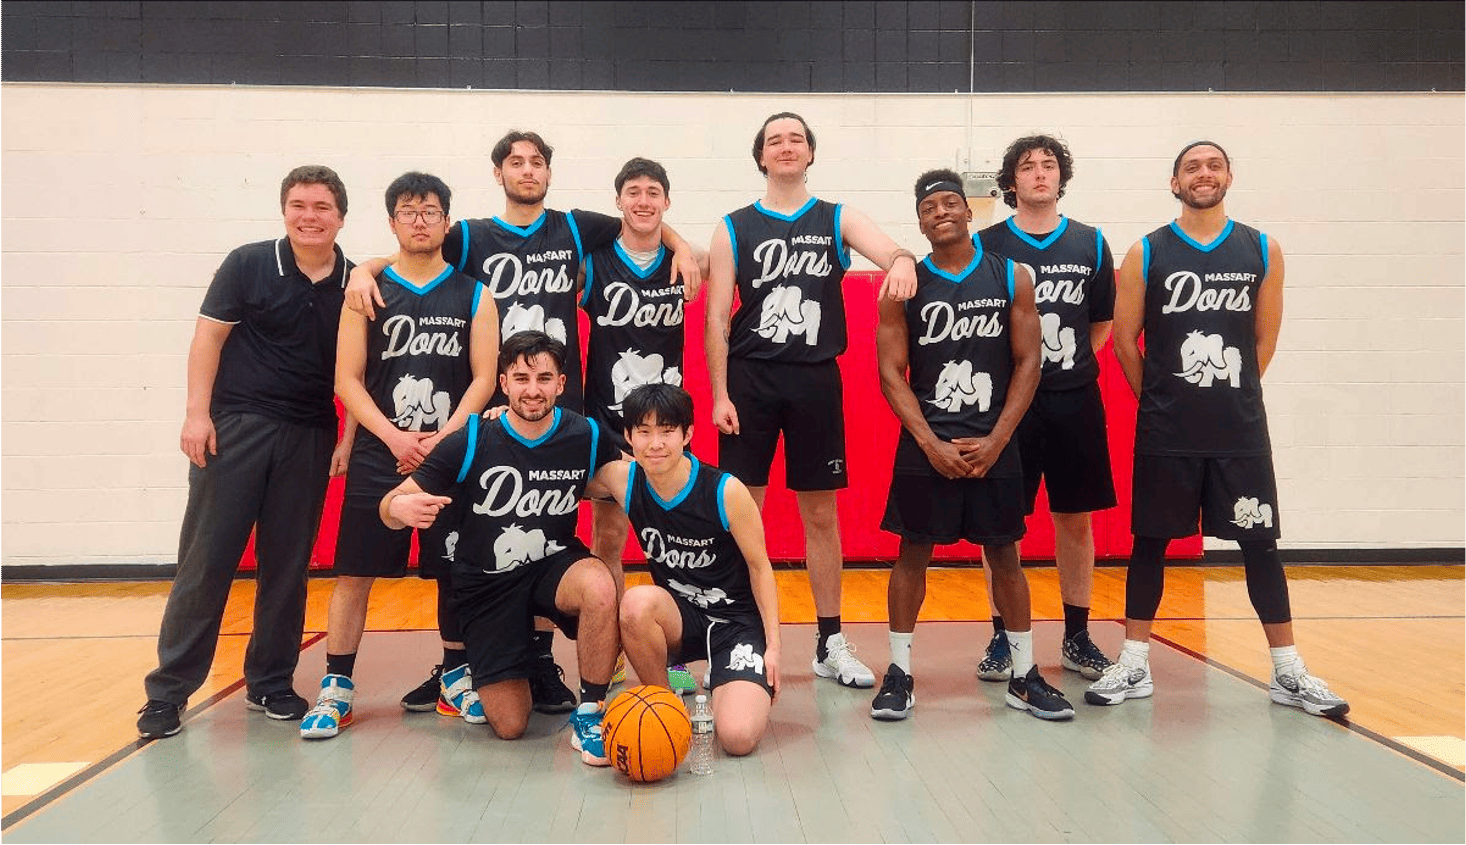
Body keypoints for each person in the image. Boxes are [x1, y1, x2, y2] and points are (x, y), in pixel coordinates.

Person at [347, 131, 698, 712]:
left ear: (549, 174)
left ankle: (546, 658)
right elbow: (417, 249)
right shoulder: (470, 235)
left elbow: (644, 218)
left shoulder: (575, 227)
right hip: (495, 406)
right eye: (516, 161)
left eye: (537, 162)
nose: (527, 170)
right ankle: (459, 662)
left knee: (553, 530)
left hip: (562, 408)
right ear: (498, 172)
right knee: (472, 534)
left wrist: (681, 246)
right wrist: (365, 267)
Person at [1086, 141, 1349, 718]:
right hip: (1167, 429)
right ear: (1174, 183)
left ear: (1229, 176)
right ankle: (1133, 660)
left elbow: (1264, 338)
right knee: (1149, 543)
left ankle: (1287, 670)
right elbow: (1125, 340)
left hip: (1238, 430)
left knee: (1260, 545)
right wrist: (1156, 397)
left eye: (1213, 165)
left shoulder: (1262, 248)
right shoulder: (1146, 251)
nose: (1203, 174)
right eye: (1191, 167)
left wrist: (1232, 396)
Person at [136, 166, 354, 740]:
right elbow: (208, 337)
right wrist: (195, 414)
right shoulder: (248, 263)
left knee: (287, 567)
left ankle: (271, 681)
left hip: (309, 434)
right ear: (285, 211)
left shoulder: (355, 280)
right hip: (236, 428)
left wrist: (348, 437)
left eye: (322, 207)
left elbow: (359, 370)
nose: (310, 216)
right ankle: (168, 692)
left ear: (340, 216)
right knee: (208, 562)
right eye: (299, 205)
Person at [705, 111, 917, 690]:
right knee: (740, 512)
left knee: (820, 514)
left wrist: (900, 262)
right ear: (761, 157)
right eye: (775, 139)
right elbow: (716, 316)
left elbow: (895, 251)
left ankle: (830, 639)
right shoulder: (733, 226)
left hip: (815, 379)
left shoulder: (836, 217)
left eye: (796, 138)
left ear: (811, 153)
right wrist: (720, 392)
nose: (787, 146)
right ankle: (741, 636)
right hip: (750, 379)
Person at [299, 172, 498, 739]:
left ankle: (456, 678)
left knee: (453, 571)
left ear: (446, 223)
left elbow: (485, 378)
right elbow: (346, 378)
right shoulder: (365, 292)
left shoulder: (476, 294)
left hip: (450, 453)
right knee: (355, 572)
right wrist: (392, 437)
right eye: (407, 211)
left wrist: (446, 440)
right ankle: (337, 686)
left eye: (430, 211)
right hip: (378, 452)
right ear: (392, 222)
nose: (418, 220)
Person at [870, 170, 1073, 722]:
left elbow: (1030, 361)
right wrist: (929, 441)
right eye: (929, 206)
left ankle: (1025, 675)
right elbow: (891, 371)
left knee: (1005, 555)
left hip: (993, 439)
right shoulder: (903, 286)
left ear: (968, 211)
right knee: (912, 553)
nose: (941, 212)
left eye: (951, 203)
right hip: (926, 439)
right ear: (920, 220)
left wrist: (999, 439)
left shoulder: (1012, 275)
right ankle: (898, 672)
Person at [380, 331, 624, 766]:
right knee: (511, 726)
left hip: (553, 565)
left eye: (544, 378)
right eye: (522, 378)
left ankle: (591, 710)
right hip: (488, 584)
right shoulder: (471, 438)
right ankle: (507, 663)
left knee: (600, 586)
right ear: (504, 382)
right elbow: (388, 505)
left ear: (561, 384)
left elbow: (627, 479)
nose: (533, 389)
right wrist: (401, 507)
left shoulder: (585, 434)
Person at [973, 135, 1118, 683]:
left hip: (1072, 400)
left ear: (1062, 177)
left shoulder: (1090, 243)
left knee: (1074, 519)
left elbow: (1100, 324)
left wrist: (1063, 368)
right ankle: (1000, 636)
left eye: (1049, 165)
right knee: (999, 525)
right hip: (1007, 404)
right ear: (1010, 181)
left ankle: (1077, 635)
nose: (1039, 173)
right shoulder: (987, 243)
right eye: (1027, 167)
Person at [596, 384, 781, 754]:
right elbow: (555, 469)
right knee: (635, 604)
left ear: (688, 433)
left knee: (737, 739)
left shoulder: (725, 491)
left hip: (735, 623)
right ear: (629, 437)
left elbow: (761, 568)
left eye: (667, 431)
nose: (656, 443)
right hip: (680, 619)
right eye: (644, 432)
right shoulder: (623, 479)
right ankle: (667, 711)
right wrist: (505, 421)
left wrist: (774, 647)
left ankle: (738, 683)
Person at [579, 157, 699, 695]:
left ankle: (666, 648)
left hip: (668, 425)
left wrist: (680, 247)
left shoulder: (688, 262)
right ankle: (611, 652)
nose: (644, 200)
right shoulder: (594, 263)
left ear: (667, 201)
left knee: (674, 542)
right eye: (633, 191)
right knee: (609, 538)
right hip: (608, 422)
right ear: (619, 201)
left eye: (654, 191)